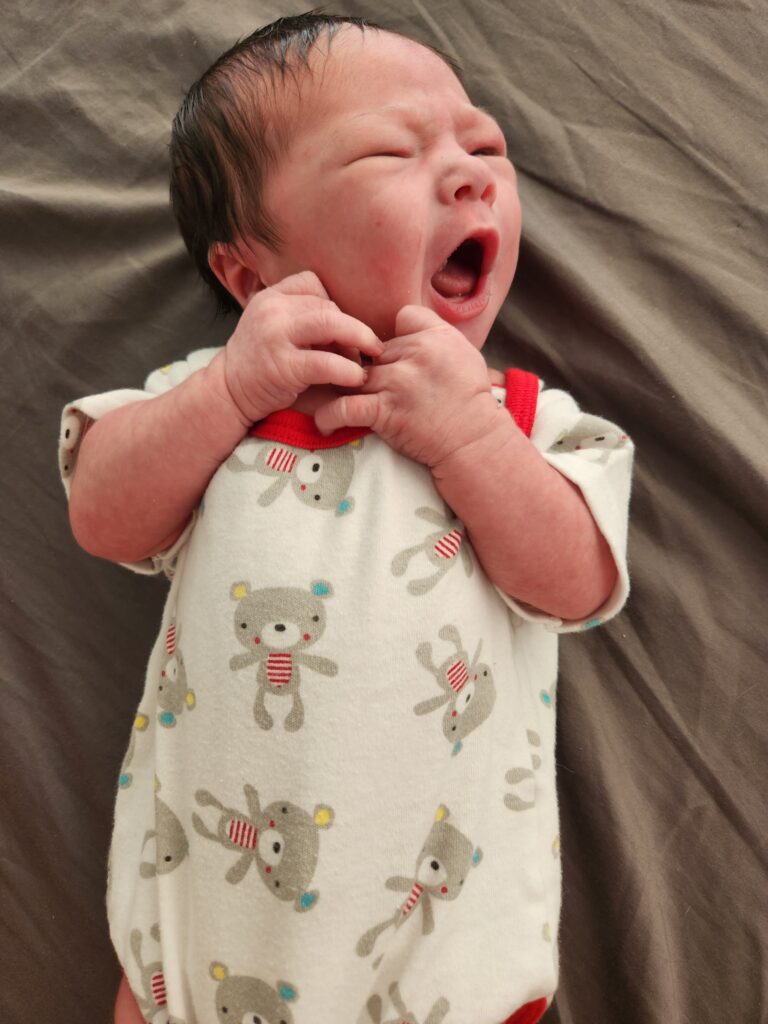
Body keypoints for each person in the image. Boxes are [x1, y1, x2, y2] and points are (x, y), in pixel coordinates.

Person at [59, 13, 634, 1024]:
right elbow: (103, 515)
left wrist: (471, 438)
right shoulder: (214, 401)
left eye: (484, 145)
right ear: (253, 276)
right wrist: (229, 389)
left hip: (443, 970)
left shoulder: (522, 421)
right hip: (196, 961)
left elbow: (578, 586)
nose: (470, 175)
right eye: (391, 153)